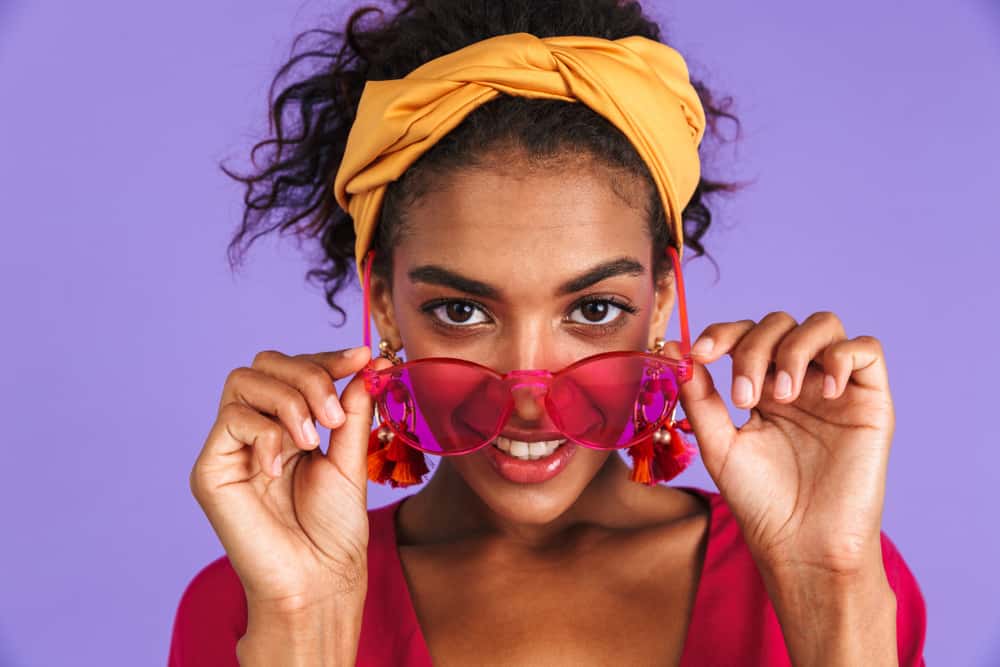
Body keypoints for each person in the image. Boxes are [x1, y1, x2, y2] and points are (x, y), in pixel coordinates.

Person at [168, 1, 927, 665]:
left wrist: (827, 586)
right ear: (386, 305)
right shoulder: (256, 600)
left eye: (593, 309)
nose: (528, 394)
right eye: (462, 311)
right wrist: (304, 628)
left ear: (661, 299)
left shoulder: (842, 566)